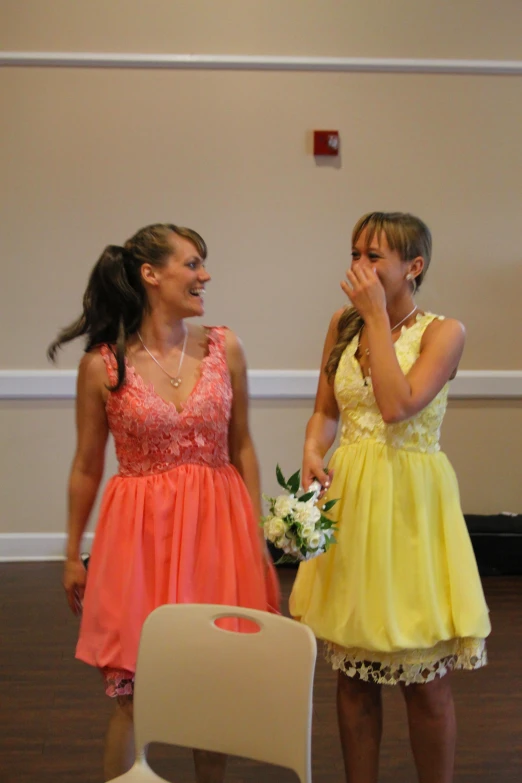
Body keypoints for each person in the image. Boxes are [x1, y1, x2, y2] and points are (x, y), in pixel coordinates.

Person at [48, 223, 280, 782]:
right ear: (151, 275)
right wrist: (72, 552)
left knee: (213, 690)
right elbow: (86, 465)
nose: (205, 275)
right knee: (134, 693)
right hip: (139, 539)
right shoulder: (103, 366)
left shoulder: (226, 347)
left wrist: (253, 532)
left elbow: (242, 443)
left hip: (218, 532)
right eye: (193, 263)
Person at [289, 211, 491, 783]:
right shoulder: (341, 324)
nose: (358, 266)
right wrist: (312, 448)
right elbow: (327, 409)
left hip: (410, 505)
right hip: (351, 499)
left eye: (373, 256)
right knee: (353, 673)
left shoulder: (443, 332)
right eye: (355, 252)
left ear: (414, 266)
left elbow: (398, 404)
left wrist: (376, 314)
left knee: (422, 674)